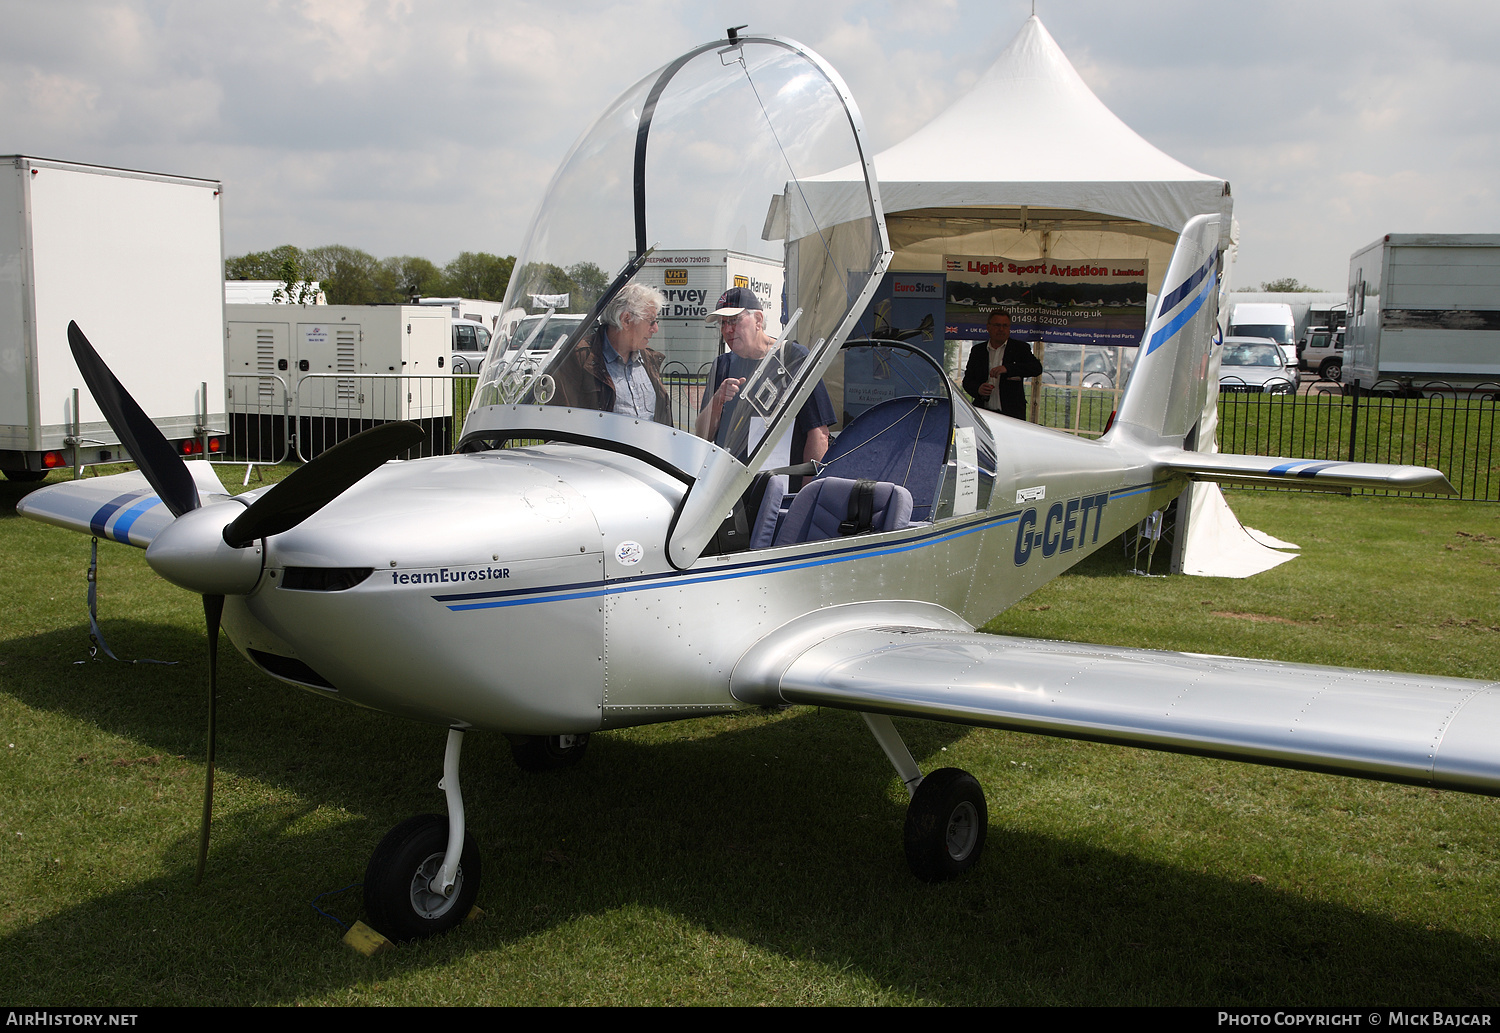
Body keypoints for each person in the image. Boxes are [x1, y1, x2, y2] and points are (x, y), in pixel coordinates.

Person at [695, 286, 833, 469]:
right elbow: (702, 435)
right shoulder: (723, 365)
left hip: (780, 487)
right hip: (730, 487)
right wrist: (718, 399)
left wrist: (805, 492)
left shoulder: (794, 358)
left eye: (735, 320)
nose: (728, 329)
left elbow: (818, 433)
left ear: (758, 320)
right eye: (722, 323)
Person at [551, 282, 672, 425]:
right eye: (651, 321)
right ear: (626, 320)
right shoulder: (579, 358)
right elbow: (558, 424)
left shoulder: (649, 360)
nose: (655, 329)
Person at [963, 309, 1043, 421]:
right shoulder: (978, 351)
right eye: (997, 325)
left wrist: (1008, 369)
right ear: (988, 327)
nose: (1001, 329)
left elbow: (1036, 368)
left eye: (1005, 326)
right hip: (983, 414)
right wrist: (978, 389)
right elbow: (967, 381)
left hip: (1012, 415)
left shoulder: (1020, 348)